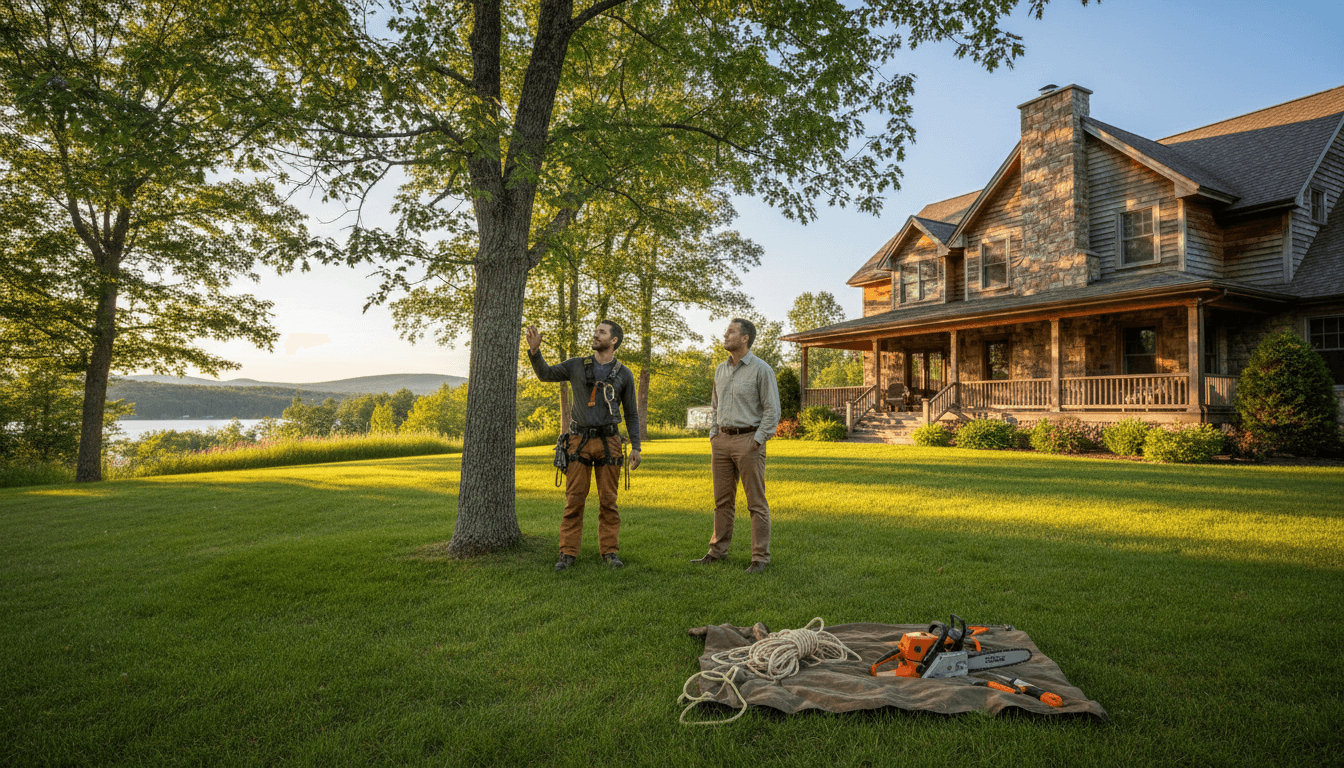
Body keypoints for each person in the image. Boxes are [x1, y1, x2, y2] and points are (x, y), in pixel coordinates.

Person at [526, 321, 642, 571]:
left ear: (614, 341)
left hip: (610, 442)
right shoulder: (575, 365)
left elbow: (631, 413)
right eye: (596, 330)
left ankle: (610, 552)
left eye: (602, 332)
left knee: (609, 502)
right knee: (574, 500)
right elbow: (545, 374)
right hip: (578, 441)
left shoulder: (624, 374)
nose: (595, 334)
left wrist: (637, 446)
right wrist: (535, 352)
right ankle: (567, 553)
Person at [692, 318, 780, 573]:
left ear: (745, 338)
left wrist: (757, 440)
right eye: (726, 331)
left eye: (731, 332)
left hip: (748, 441)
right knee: (722, 501)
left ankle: (760, 558)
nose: (725, 335)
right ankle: (717, 552)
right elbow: (715, 405)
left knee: (756, 503)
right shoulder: (720, 369)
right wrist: (713, 434)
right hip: (721, 441)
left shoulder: (761, 369)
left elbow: (772, 410)